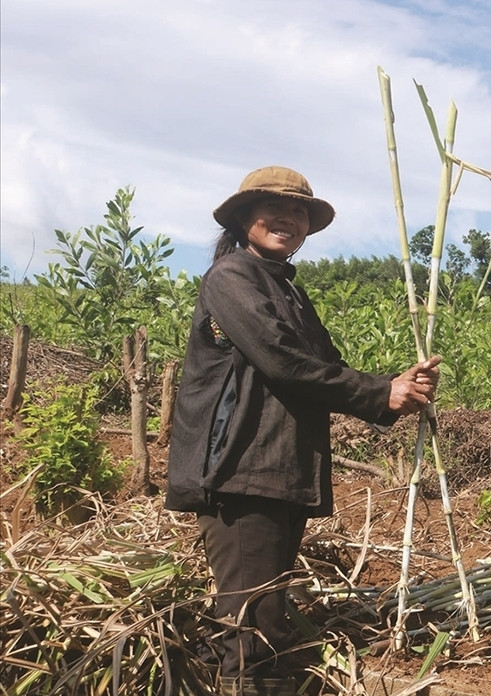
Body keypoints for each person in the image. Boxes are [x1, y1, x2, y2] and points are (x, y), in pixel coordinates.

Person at [165, 166, 441, 695]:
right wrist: (378, 394)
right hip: (241, 471)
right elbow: (282, 360)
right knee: (254, 632)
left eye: (298, 211)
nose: (287, 219)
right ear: (244, 218)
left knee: (257, 615)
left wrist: (395, 386)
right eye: (274, 208)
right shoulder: (231, 278)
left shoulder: (286, 289)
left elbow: (326, 368)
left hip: (276, 471)